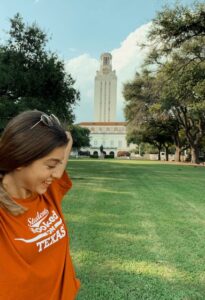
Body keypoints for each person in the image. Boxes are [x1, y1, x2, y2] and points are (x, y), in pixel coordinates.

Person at [0, 110, 80, 300]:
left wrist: (53, 134)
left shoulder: (48, 191)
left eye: (58, 165)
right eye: (51, 165)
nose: (56, 173)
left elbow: (67, 138)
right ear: (21, 159)